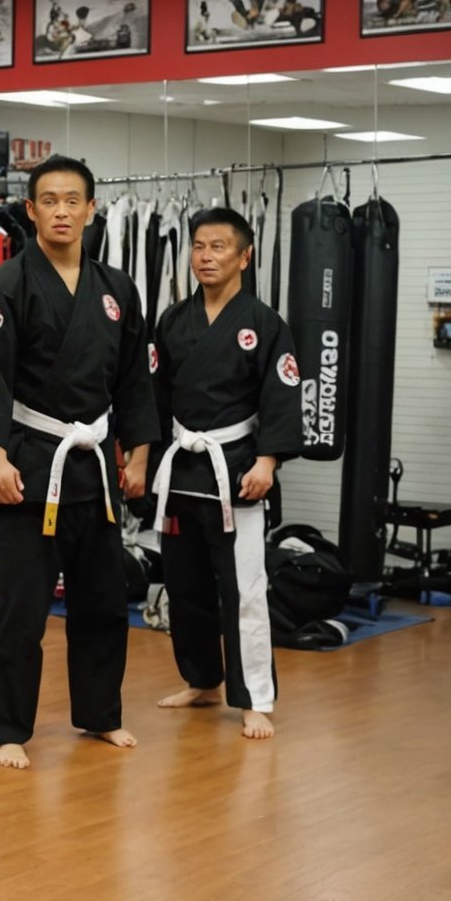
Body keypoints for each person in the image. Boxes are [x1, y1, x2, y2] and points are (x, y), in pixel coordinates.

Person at [0, 154, 158, 771]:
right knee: (23, 606)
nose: (62, 211)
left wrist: (140, 455)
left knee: (103, 601)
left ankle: (101, 713)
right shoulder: (6, 284)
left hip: (94, 469)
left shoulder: (117, 289)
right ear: (31, 210)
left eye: (73, 201)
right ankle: (8, 728)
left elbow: (135, 382)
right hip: (32, 465)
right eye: (50, 201)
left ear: (92, 209)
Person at [150, 208, 303, 740]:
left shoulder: (265, 324)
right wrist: (144, 457)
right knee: (184, 585)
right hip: (182, 470)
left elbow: (282, 397)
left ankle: (254, 696)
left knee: (243, 589)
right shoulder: (173, 320)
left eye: (218, 247)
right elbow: (156, 396)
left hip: (236, 471)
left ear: (245, 256)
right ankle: (202, 679)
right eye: (198, 246)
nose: (206, 257)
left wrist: (268, 461)